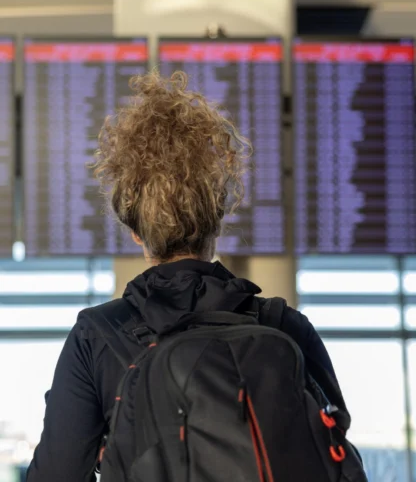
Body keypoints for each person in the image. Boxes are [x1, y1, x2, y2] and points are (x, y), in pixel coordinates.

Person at [27, 71, 345, 481]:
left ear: (134, 231)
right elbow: (334, 452)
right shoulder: (286, 328)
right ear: (218, 219)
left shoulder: (98, 336)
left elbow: (58, 473)